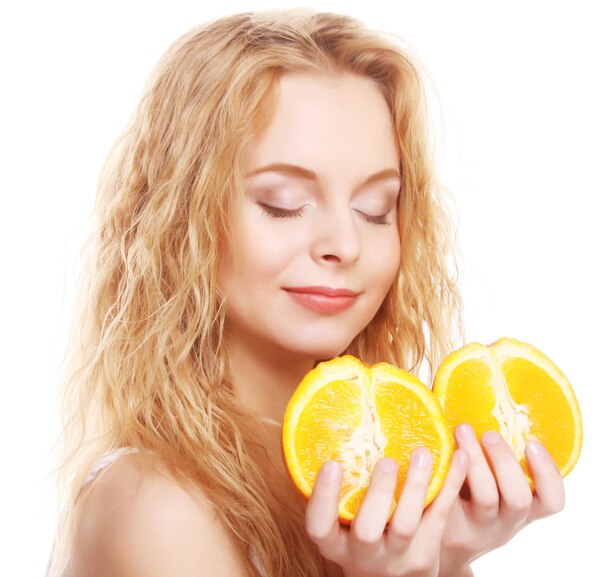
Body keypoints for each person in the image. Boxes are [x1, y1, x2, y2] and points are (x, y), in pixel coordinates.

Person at [47, 8, 566, 577]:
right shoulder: (155, 506)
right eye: (283, 202)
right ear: (180, 221)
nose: (344, 244)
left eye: (376, 209)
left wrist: (448, 558)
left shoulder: (378, 477)